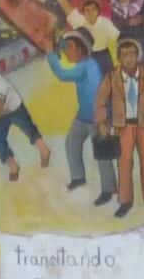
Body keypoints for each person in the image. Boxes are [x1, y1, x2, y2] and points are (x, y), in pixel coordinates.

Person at [95, 34, 144, 219]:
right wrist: (102, 122)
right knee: (124, 163)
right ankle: (125, 202)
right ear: (119, 57)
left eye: (132, 54)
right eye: (124, 55)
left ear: (138, 55)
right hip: (122, 126)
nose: (129, 58)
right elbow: (101, 100)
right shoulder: (112, 77)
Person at [45, 29, 109, 196]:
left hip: (96, 118)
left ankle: (109, 189)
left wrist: (51, 54)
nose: (66, 52)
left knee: (102, 153)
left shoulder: (86, 66)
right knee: (72, 143)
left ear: (80, 48)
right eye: (65, 48)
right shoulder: (87, 63)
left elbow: (62, 74)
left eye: (69, 47)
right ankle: (78, 178)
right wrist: (55, 49)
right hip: (83, 116)